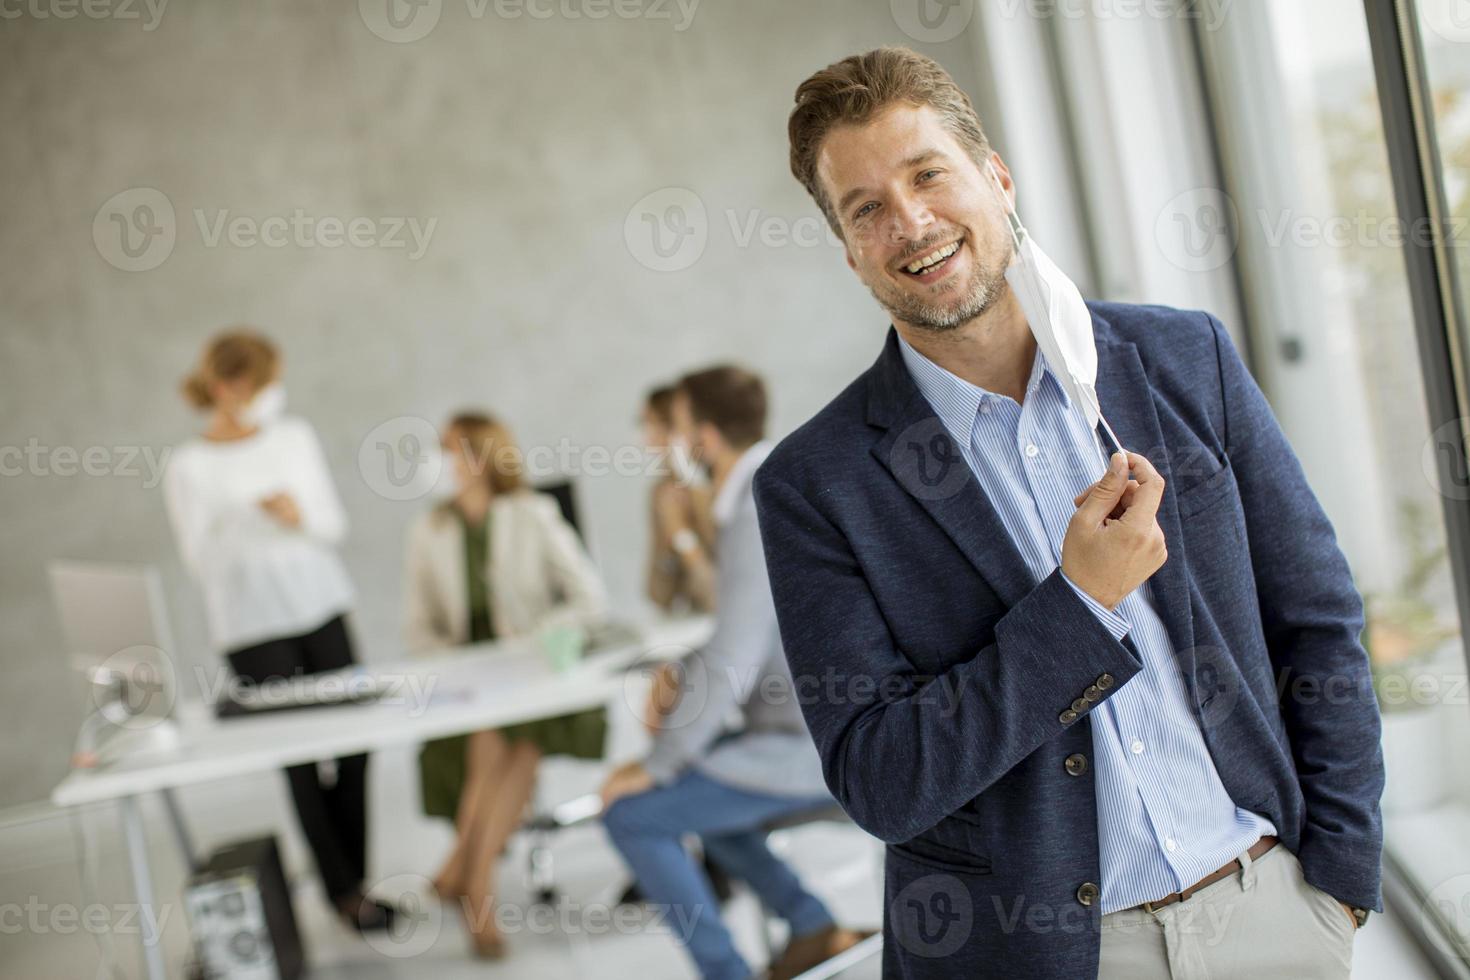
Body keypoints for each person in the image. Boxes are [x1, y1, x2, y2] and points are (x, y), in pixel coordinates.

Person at [752, 48, 1383, 979]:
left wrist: (1341, 878)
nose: (911, 222)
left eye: (929, 175)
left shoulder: (1183, 359)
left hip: (1273, 913)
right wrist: (1079, 605)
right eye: (868, 208)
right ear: (849, 251)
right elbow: (884, 781)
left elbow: (1318, 622)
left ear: (996, 178)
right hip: (1036, 958)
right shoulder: (817, 484)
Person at [600, 367, 871, 980]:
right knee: (696, 795)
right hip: (815, 729)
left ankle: (728, 972)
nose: (665, 444)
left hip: (817, 747)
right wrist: (682, 674)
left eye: (673, 428)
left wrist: (654, 765)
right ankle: (810, 924)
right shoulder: (765, 487)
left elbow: (735, 655)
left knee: (632, 814)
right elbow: (749, 634)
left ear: (704, 436)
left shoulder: (756, 501)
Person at [163, 329, 392, 933]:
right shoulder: (188, 466)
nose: (271, 395)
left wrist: (297, 517)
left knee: (355, 743)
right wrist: (238, 518)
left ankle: (352, 879)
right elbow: (198, 562)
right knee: (297, 762)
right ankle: (347, 895)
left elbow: (331, 526)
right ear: (225, 388)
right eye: (261, 383)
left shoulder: (294, 437)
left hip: (321, 605)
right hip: (251, 627)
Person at [402, 411, 609, 958]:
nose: (438, 461)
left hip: (533, 677)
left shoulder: (532, 514)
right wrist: (450, 665)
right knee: (505, 741)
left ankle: (470, 883)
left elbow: (589, 599)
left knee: (506, 738)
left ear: (479, 456)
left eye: (448, 449)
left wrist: (538, 638)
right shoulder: (431, 529)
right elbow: (417, 626)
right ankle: (469, 881)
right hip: (466, 684)